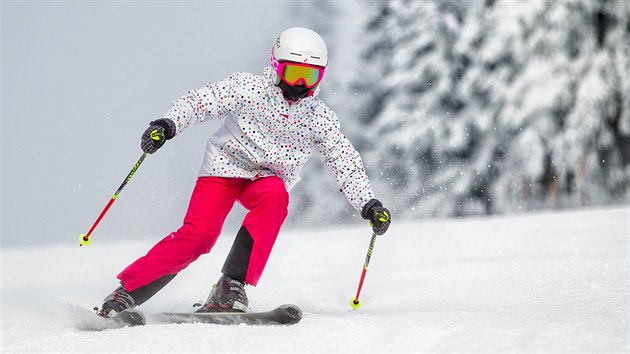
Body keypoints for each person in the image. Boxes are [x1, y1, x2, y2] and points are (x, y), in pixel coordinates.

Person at [97, 27, 391, 317]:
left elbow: (343, 159)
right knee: (201, 235)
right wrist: (168, 124)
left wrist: (369, 204)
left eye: (310, 75)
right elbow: (202, 101)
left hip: (266, 180)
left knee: (276, 197)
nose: (300, 83)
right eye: (293, 73)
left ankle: (230, 286)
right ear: (276, 66)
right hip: (224, 168)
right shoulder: (249, 89)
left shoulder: (318, 117)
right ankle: (127, 292)